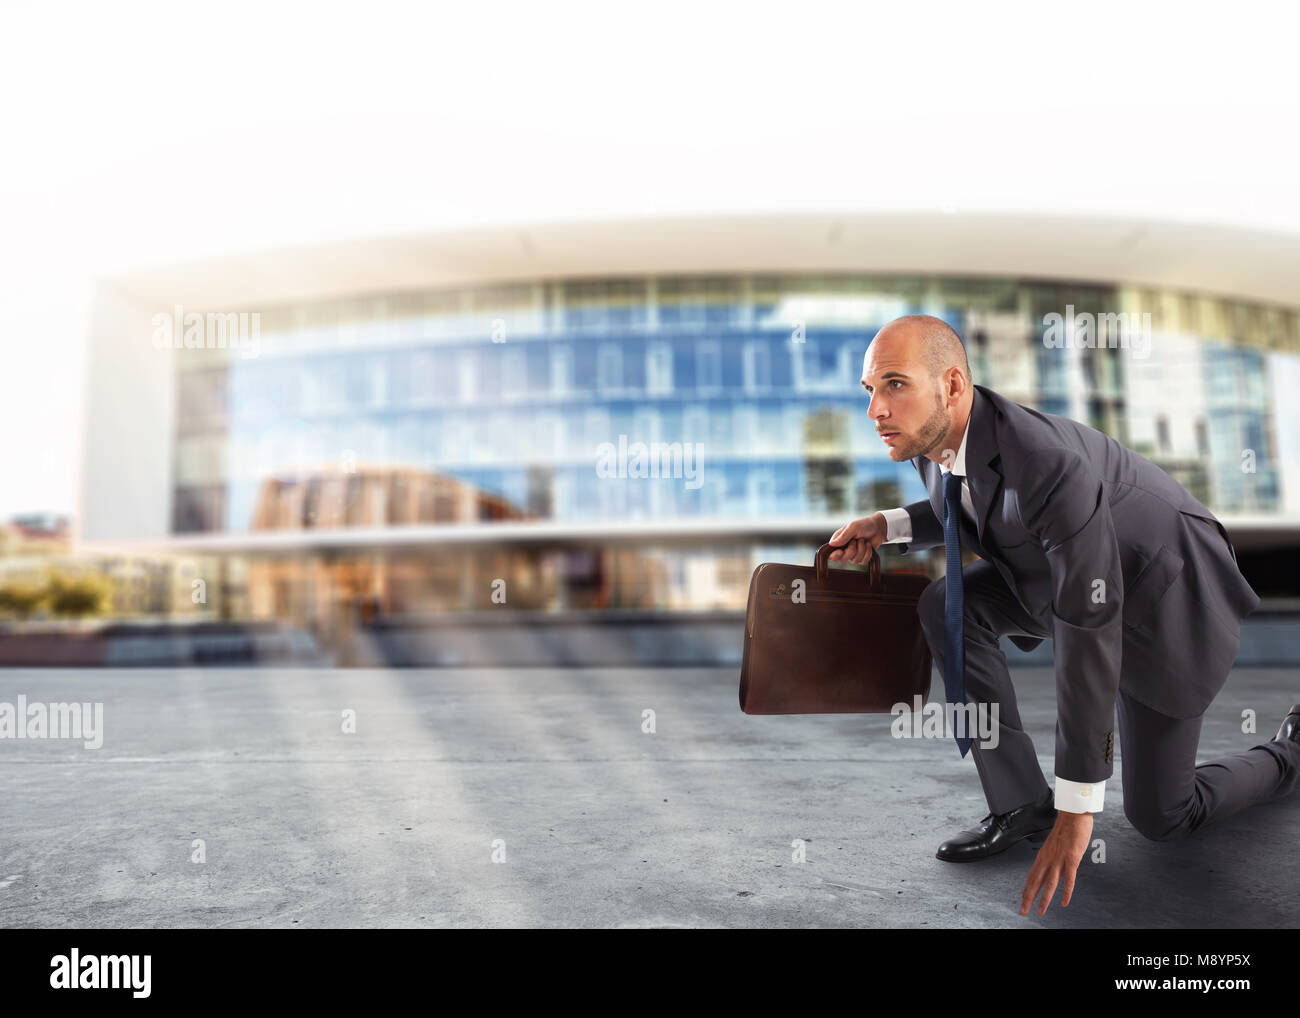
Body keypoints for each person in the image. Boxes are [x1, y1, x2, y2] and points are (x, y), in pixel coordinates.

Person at [829, 314, 1299, 915]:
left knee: (1163, 816)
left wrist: (1080, 810)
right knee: (950, 601)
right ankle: (1022, 804)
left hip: (1166, 600)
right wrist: (888, 525)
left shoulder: (1045, 461)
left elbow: (1088, 625)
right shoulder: (937, 439)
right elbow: (970, 497)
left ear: (951, 385)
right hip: (1071, 577)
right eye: (870, 390)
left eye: (894, 384)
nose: (876, 410)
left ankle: (1291, 754)